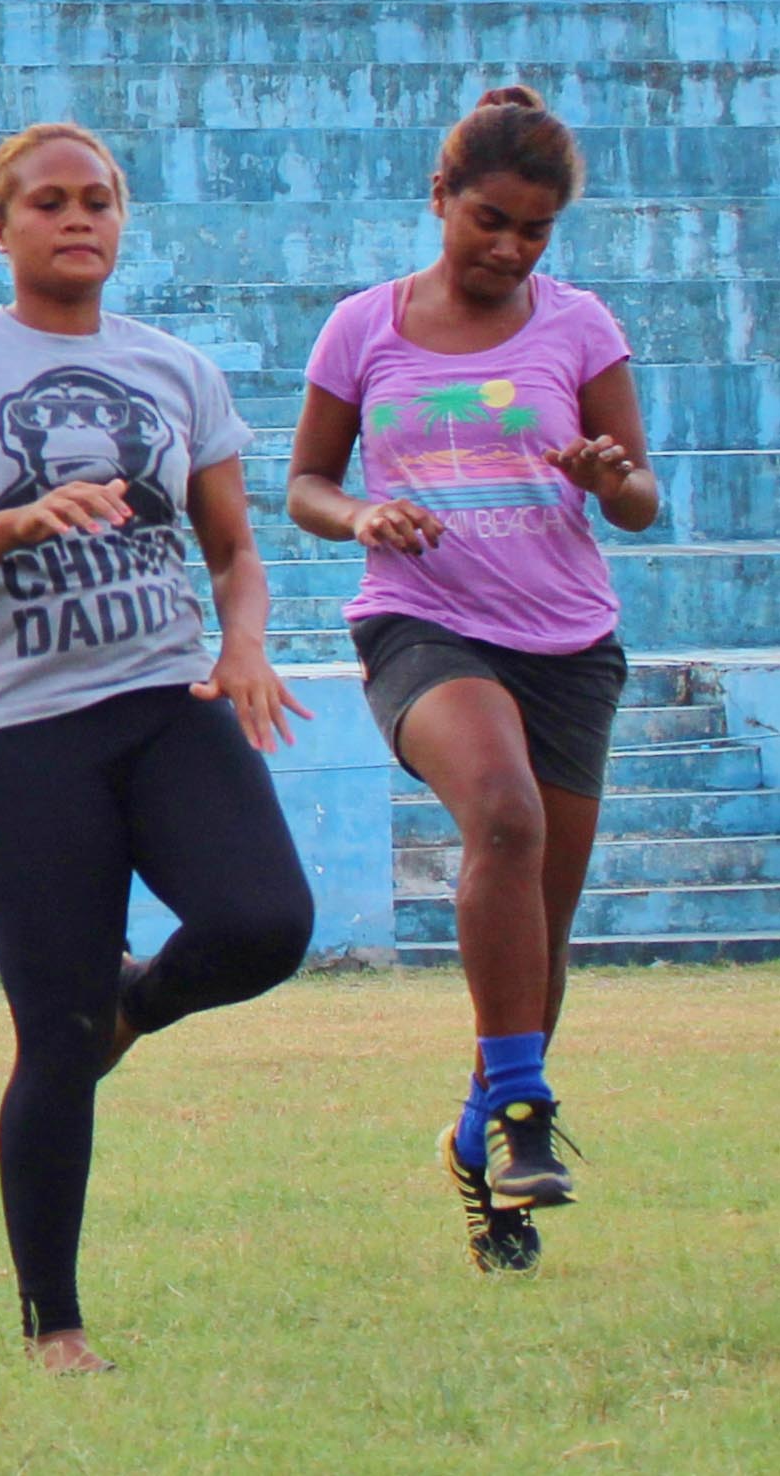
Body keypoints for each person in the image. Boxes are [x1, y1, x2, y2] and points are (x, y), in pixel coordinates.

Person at [0, 123, 315, 1373]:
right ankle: (55, 1325)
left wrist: (247, 646)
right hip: (17, 729)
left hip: (167, 694)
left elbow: (234, 548)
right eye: (48, 202)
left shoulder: (177, 369)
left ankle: (135, 1002)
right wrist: (13, 522)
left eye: (98, 200)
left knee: (266, 921)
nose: (77, 220)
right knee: (52, 1035)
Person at [286, 86, 651, 1273]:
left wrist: (609, 477)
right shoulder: (364, 327)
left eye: (535, 230)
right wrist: (362, 515)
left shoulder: (581, 325)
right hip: (424, 626)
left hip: (568, 643)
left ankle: (478, 1135)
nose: (509, 248)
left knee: (542, 925)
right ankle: (526, 1113)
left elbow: (642, 498)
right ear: (439, 196)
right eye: (489, 219)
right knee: (503, 814)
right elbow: (305, 483)